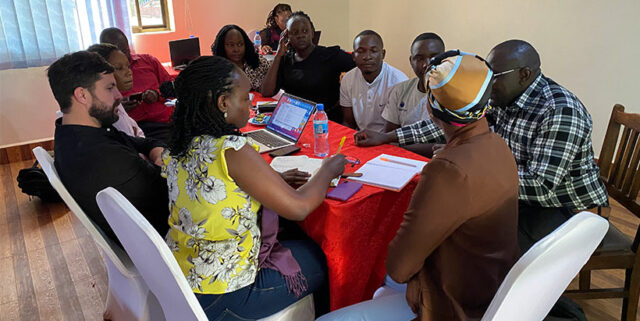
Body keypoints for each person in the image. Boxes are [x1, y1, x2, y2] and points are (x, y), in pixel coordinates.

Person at [318, 51, 519, 321]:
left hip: (453, 303)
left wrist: (418, 280)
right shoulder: (498, 145)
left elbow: (399, 268)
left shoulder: (447, 169)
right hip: (490, 287)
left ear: (430, 107)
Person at [355, 40, 609, 251]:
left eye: (494, 76)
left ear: (525, 75)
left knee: (481, 248)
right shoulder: (503, 96)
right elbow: (453, 122)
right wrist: (389, 137)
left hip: (565, 208)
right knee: (447, 227)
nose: (487, 83)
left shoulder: (560, 112)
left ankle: (520, 305)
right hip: (511, 192)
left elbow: (542, 187)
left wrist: (470, 176)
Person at [162, 55, 347, 319]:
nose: (251, 105)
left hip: (186, 281)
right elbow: (299, 208)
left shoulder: (181, 145)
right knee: (325, 258)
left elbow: (217, 188)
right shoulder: (232, 150)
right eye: (246, 97)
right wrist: (328, 169)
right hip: (227, 295)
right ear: (223, 102)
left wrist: (269, 181)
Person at [48, 51, 169, 245]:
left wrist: (155, 154)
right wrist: (159, 158)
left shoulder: (75, 132)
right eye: (110, 88)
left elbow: (145, 143)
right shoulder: (102, 156)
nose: (119, 95)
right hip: (168, 242)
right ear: (82, 95)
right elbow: (171, 185)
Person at [260, 11, 355, 123]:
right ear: (287, 37)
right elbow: (266, 92)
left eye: (305, 31)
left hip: (326, 120)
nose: (300, 35)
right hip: (295, 120)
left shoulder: (330, 55)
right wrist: (278, 56)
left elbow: (359, 66)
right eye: (294, 32)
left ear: (312, 33)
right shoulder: (285, 60)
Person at [100, 27, 173, 142]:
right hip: (134, 129)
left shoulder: (148, 61)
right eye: (119, 68)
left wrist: (156, 93)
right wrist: (118, 109)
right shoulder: (103, 77)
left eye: (124, 50)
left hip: (165, 122)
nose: (128, 72)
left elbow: (172, 87)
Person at [340, 30, 407, 132]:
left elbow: (398, 130)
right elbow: (348, 123)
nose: (367, 57)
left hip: (388, 141)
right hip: (360, 137)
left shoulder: (399, 81)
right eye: (361, 51)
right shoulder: (348, 79)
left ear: (383, 54)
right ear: (353, 56)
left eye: (374, 51)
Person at [382, 32, 445, 132]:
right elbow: (388, 134)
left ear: (444, 59)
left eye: (433, 57)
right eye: (419, 58)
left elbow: (444, 143)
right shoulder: (400, 90)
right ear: (411, 61)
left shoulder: (452, 95)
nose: (426, 64)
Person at [87, 43, 145, 137]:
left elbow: (138, 132)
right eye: (119, 68)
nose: (128, 72)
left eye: (128, 66)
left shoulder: (117, 102)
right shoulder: (105, 111)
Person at [211, 25, 271, 92]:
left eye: (240, 44)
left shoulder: (258, 62)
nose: (236, 49)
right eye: (231, 45)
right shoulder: (216, 69)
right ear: (222, 46)